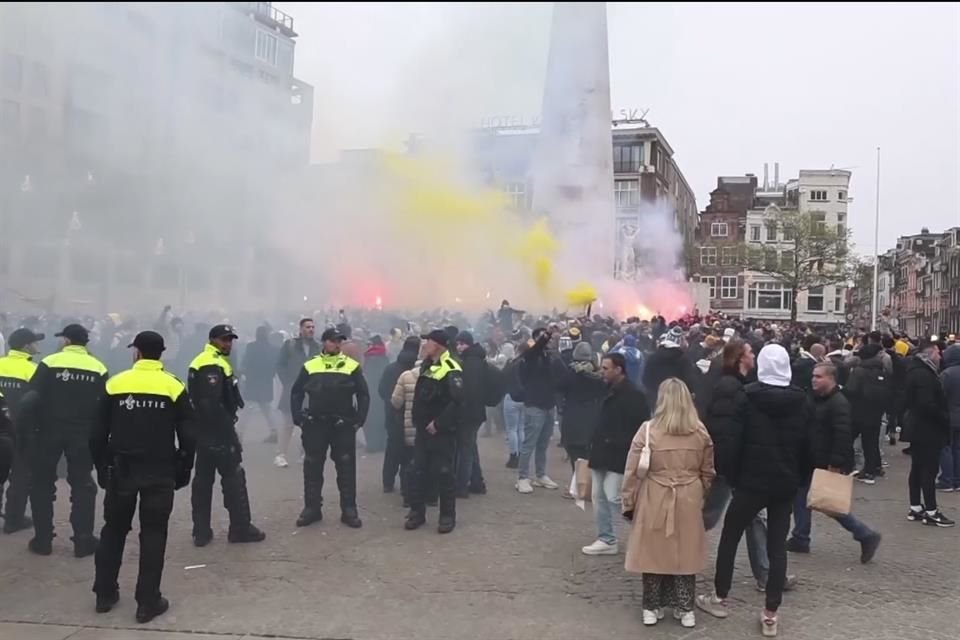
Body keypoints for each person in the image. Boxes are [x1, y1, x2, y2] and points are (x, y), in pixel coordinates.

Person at [698, 344, 811, 638]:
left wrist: (734, 476)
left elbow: (732, 443)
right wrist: (799, 478)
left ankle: (720, 597)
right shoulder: (802, 401)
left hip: (750, 482)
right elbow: (808, 446)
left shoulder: (747, 398)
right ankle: (771, 613)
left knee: (730, 537)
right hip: (784, 484)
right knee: (777, 546)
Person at [90, 331, 195, 623]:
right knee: (153, 533)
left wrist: (101, 466)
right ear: (161, 353)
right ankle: (147, 602)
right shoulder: (173, 386)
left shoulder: (115, 383)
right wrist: (185, 468)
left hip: (121, 470)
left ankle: (104, 594)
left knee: (113, 530)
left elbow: (97, 433)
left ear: (136, 352)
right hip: (160, 471)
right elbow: (188, 434)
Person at [621, 378, 715, 628]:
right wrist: (700, 494)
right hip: (689, 495)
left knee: (652, 550)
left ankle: (651, 606)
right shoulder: (700, 431)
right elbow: (708, 471)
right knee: (685, 551)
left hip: (655, 493)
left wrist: (628, 501)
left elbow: (632, 470)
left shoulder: (648, 430)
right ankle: (685, 608)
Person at [701, 339, 790, 592]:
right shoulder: (730, 387)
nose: (755, 355)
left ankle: (766, 576)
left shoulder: (741, 386)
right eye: (751, 351)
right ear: (741, 357)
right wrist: (729, 467)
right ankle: (673, 555)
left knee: (755, 520)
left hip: (739, 468)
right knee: (705, 517)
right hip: (727, 468)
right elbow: (723, 429)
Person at [788, 363, 882, 561]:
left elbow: (843, 434)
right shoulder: (813, 398)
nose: (814, 379)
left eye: (819, 376)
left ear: (831, 379)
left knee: (828, 503)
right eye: (813, 375)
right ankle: (800, 537)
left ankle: (865, 534)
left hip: (825, 460)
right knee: (801, 496)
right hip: (809, 458)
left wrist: (836, 462)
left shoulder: (839, 403)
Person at [28, 324, 108, 557]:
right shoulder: (98, 367)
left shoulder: (49, 363)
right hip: (83, 434)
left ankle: (43, 540)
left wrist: (29, 431)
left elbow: (32, 398)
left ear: (66, 340)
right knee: (83, 485)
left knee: (42, 484)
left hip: (48, 431)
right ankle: (83, 540)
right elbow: (104, 406)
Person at [189, 324, 265, 546]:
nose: (228, 343)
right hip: (217, 431)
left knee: (203, 480)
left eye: (230, 339)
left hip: (204, 431)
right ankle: (240, 528)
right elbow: (210, 404)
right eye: (224, 339)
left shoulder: (210, 360)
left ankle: (201, 531)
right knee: (233, 478)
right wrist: (227, 435)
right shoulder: (210, 363)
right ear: (212, 340)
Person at [289, 327, 369, 529]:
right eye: (333, 341)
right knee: (312, 466)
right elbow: (296, 391)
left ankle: (349, 509)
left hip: (342, 424)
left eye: (339, 341)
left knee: (346, 467)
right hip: (316, 423)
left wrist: (360, 419)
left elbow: (363, 394)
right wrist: (297, 416)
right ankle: (312, 508)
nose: (336, 344)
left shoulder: (351, 366)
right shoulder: (311, 365)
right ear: (324, 343)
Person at [582, 353, 650, 556]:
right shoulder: (604, 389)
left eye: (605, 368)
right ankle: (606, 538)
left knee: (615, 496)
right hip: (601, 451)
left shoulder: (634, 394)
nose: (601, 372)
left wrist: (622, 444)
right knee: (598, 496)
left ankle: (646, 534)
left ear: (618, 369)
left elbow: (641, 426)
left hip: (619, 453)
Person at [405, 330, 464, 534]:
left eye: (427, 341)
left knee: (444, 473)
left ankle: (447, 516)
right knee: (418, 471)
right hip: (423, 429)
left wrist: (439, 423)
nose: (424, 344)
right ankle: (416, 513)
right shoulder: (426, 365)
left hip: (441, 431)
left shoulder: (451, 367)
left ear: (438, 344)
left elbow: (457, 401)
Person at [903, 340, 954, 526]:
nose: (940, 356)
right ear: (930, 353)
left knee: (917, 468)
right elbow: (926, 403)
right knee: (929, 469)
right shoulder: (925, 375)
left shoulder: (915, 371)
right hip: (927, 429)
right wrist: (943, 417)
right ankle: (931, 511)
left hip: (917, 427)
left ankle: (916, 506)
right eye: (938, 353)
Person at [0, 328, 44, 533]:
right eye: (35, 341)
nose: (38, 345)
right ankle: (13, 519)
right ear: (26, 346)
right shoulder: (34, 370)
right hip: (22, 431)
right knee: (20, 475)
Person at [515, 328, 563, 494]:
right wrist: (546, 335)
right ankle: (522, 477)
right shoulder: (529, 356)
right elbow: (536, 349)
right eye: (544, 339)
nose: (548, 342)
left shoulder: (550, 357)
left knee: (543, 443)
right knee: (529, 443)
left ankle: (541, 475)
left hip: (549, 405)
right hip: (534, 404)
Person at [556, 341, 605, 481]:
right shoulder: (598, 374)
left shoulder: (571, 372)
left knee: (574, 452)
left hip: (573, 416)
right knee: (589, 451)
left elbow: (559, 388)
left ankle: (578, 482)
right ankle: (588, 482)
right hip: (593, 416)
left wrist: (561, 406)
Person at [275, 319, 321, 467]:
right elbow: (280, 365)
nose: (311, 329)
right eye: (308, 327)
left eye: (313, 327)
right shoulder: (290, 345)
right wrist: (287, 382)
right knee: (288, 423)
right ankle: (280, 454)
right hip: (293, 389)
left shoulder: (318, 347)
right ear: (300, 329)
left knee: (308, 424)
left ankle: (304, 453)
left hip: (311, 391)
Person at [380, 336, 421, 495]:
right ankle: (408, 486)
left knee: (392, 450)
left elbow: (382, 390)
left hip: (392, 415)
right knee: (410, 453)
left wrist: (390, 403)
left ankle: (387, 482)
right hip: (411, 416)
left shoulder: (390, 368)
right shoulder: (416, 371)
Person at [845, 343, 890, 484]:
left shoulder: (859, 371)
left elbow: (851, 390)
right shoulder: (881, 370)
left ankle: (847, 467)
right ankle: (872, 470)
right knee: (871, 442)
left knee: (847, 439)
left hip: (857, 411)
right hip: (875, 412)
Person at [453, 331, 488, 498]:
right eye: (457, 344)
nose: (459, 347)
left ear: (468, 344)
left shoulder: (471, 362)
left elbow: (470, 390)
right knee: (471, 447)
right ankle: (477, 482)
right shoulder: (475, 359)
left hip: (470, 412)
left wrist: (463, 408)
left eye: (462, 344)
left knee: (465, 450)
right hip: (476, 411)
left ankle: (462, 486)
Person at [390, 342, 425, 507]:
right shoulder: (437, 375)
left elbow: (395, 402)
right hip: (428, 427)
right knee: (426, 461)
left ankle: (407, 495)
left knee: (407, 462)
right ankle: (428, 495)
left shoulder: (406, 376)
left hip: (408, 424)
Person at [239, 325, 278, 449]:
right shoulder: (272, 349)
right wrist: (270, 376)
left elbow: (246, 362)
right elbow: (273, 366)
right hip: (265, 381)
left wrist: (245, 374)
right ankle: (274, 431)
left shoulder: (251, 347)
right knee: (266, 408)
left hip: (252, 381)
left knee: (247, 409)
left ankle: (239, 434)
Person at [642, 327, 697, 407]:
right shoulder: (684, 360)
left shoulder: (653, 357)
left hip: (655, 400)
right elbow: (689, 381)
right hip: (677, 402)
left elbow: (645, 379)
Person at [938, 344, 960, 491]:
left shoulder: (946, 374)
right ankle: (958, 479)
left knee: (945, 447)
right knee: (958, 448)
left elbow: (939, 396)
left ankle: (947, 479)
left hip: (949, 416)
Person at [362, 335, 389, 453]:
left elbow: (366, 375)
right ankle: (382, 444)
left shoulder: (369, 357)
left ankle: (372, 445)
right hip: (383, 394)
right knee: (382, 420)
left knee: (370, 421)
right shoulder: (385, 357)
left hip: (371, 393)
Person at [501, 342, 525, 469]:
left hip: (511, 396)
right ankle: (521, 455)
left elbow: (503, 376)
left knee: (511, 429)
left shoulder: (511, 363)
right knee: (521, 428)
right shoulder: (528, 364)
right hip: (525, 399)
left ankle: (513, 456)